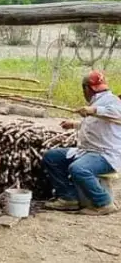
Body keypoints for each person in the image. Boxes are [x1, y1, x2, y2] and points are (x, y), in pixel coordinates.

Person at [42, 70, 121, 215]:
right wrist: (75, 124)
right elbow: (97, 123)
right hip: (87, 151)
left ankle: (104, 203)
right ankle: (68, 198)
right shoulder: (97, 102)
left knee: (79, 169)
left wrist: (93, 110)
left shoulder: (111, 101)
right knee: (52, 157)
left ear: (86, 88)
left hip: (106, 155)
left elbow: (117, 114)